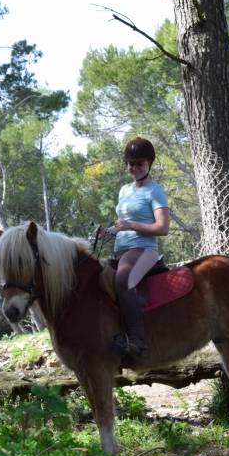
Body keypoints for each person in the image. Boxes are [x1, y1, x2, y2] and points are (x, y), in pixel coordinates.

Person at [103, 137, 170, 360]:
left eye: (139, 163)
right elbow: (122, 225)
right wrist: (108, 232)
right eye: (131, 164)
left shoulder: (155, 191)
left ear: (149, 163)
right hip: (121, 250)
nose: (134, 168)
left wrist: (131, 225)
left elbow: (162, 228)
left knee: (123, 281)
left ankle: (137, 341)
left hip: (144, 249)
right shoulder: (124, 190)